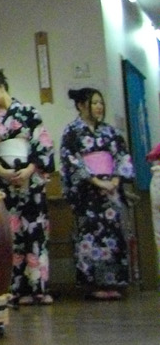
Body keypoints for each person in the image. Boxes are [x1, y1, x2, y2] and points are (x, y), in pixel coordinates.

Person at [0, 69, 57, 305]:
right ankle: (16, 289)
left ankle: (38, 287)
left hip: (30, 180)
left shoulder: (29, 112)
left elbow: (43, 145)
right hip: (4, 182)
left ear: (1, 87)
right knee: (11, 236)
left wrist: (29, 170)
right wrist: (3, 172)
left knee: (35, 233)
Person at [59, 87, 134, 299]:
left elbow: (122, 156)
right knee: (90, 235)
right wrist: (95, 181)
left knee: (114, 233)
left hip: (111, 189)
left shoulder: (111, 132)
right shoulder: (72, 131)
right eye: (94, 103)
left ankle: (115, 282)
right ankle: (94, 284)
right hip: (88, 192)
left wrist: (116, 179)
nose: (99, 107)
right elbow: (70, 160)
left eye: (101, 103)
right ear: (81, 105)